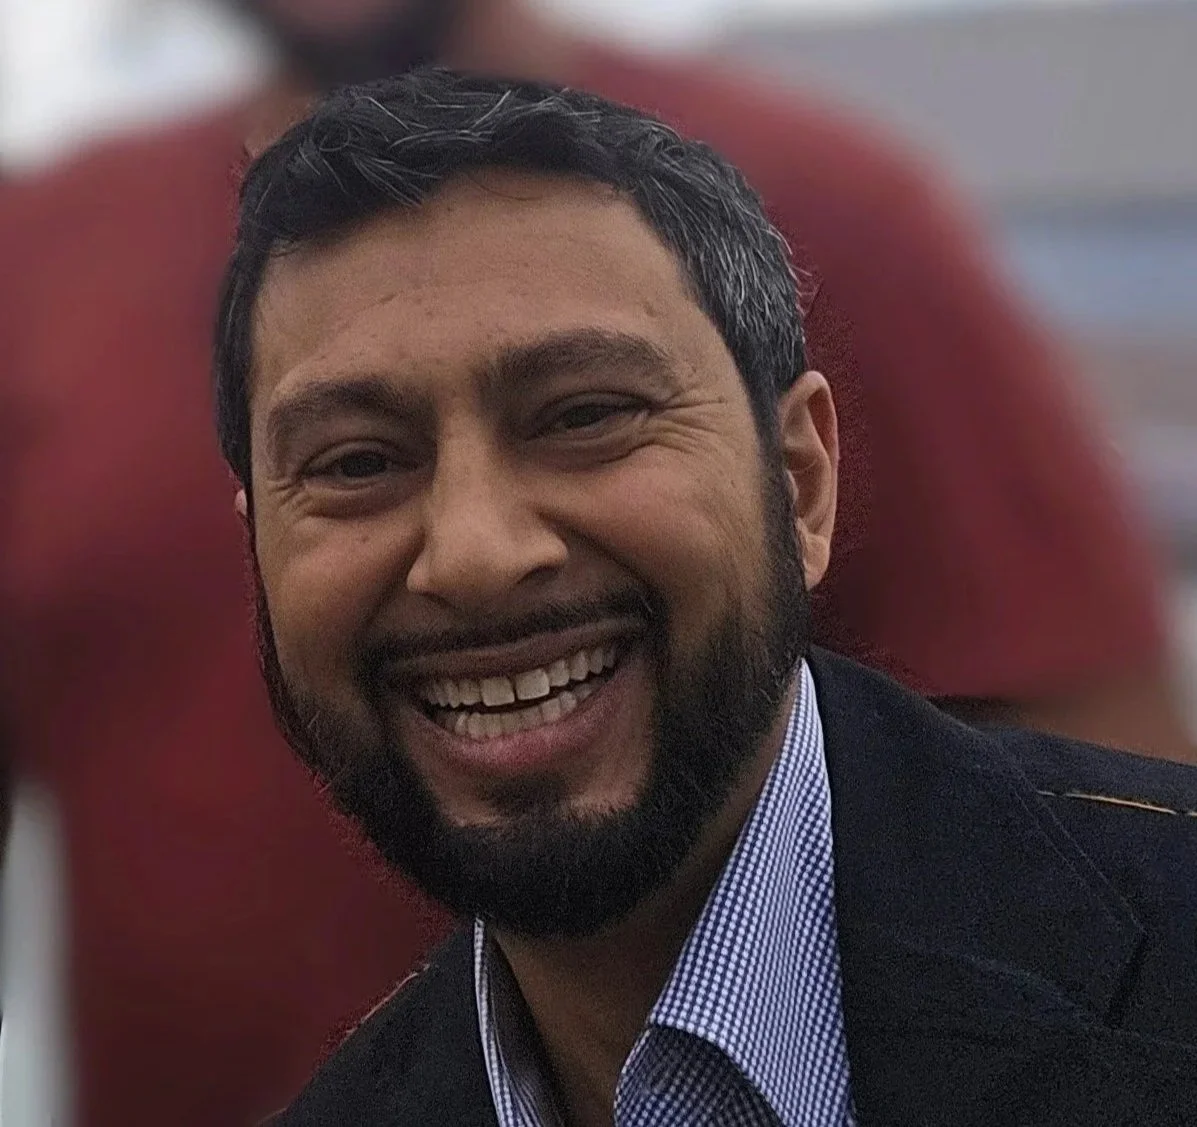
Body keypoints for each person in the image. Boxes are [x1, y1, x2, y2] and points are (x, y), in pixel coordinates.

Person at [0, 1, 1191, 1124]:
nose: (475, 553)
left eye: (584, 416)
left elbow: (1101, 774)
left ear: (803, 479)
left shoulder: (840, 204)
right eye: (358, 460)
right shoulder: (40, 257)